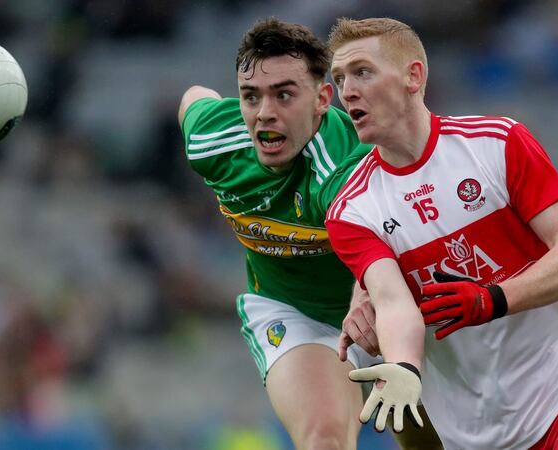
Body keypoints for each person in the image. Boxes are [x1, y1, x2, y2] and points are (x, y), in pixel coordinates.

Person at [325, 17, 558, 450]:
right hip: (471, 429)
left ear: (414, 76)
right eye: (339, 78)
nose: (347, 90)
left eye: (362, 72)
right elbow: (392, 304)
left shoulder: (497, 144)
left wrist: (493, 298)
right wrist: (404, 369)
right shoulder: (351, 209)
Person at [178, 18, 441, 450]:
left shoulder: (346, 165)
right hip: (295, 312)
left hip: (392, 306)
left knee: (435, 443)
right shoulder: (215, 140)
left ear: (322, 99)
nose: (265, 113)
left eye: (284, 95)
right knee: (325, 439)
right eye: (251, 96)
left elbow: (373, 249)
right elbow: (193, 100)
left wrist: (369, 299)